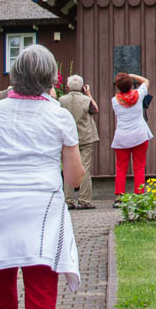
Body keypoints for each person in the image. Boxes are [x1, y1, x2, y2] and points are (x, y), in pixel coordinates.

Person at [0, 44, 86, 309]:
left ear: (14, 76)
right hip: (41, 211)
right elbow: (74, 177)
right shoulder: (58, 115)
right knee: (40, 304)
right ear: (52, 78)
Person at [111, 71, 152, 207]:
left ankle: (119, 197)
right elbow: (146, 81)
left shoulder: (115, 101)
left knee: (121, 168)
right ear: (130, 84)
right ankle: (139, 195)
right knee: (139, 167)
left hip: (122, 137)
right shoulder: (139, 95)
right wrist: (133, 75)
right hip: (140, 135)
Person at [59, 75, 100, 209]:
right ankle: (84, 200)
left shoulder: (61, 100)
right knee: (85, 167)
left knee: (67, 167)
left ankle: (68, 200)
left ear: (68, 87)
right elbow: (95, 110)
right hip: (86, 137)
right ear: (82, 87)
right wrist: (88, 94)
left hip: (68, 138)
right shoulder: (86, 100)